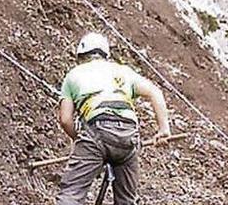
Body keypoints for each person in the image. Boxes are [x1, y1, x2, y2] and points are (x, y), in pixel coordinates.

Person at [56, 32, 171, 205]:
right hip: (128, 136)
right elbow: (155, 92)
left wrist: (80, 140)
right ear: (105, 54)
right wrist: (164, 129)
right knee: (126, 200)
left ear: (81, 56)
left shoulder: (73, 75)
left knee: (71, 194)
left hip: (96, 130)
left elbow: (65, 119)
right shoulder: (123, 71)